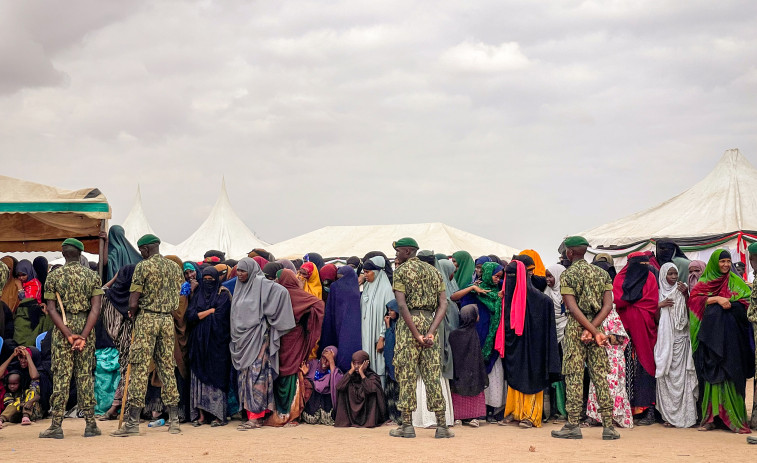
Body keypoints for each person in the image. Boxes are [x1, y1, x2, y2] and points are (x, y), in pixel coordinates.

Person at [111, 234, 183, 437]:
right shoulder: (174, 267)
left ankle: (132, 423)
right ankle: (175, 421)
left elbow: (133, 301)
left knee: (140, 368)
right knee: (167, 367)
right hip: (167, 321)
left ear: (144, 250)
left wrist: (132, 313)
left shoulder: (143, 267)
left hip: (147, 319)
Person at [551, 236, 619, 440]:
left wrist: (588, 329)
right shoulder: (602, 273)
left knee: (574, 376)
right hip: (597, 324)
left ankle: (573, 424)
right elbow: (608, 306)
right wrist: (596, 330)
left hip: (575, 328)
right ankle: (608, 426)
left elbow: (572, 307)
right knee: (600, 376)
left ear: (570, 253)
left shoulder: (568, 275)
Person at [39, 238, 104, 439]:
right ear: (80, 253)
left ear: (64, 254)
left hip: (62, 330)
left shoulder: (54, 276)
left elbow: (50, 308)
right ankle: (91, 425)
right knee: (84, 376)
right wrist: (83, 336)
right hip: (86, 327)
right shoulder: (92, 276)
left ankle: (56, 425)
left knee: (61, 377)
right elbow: (96, 308)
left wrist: (68, 335)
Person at [388, 237, 452, 439]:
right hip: (430, 321)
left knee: (406, 374)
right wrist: (431, 331)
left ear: (407, 252)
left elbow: (402, 305)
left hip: (409, 327)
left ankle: (406, 426)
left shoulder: (401, 272)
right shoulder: (434, 272)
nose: (396, 255)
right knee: (432, 374)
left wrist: (415, 334)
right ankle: (442, 426)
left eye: (398, 251)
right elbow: (443, 304)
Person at [690, 250, 753, 434]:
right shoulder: (704, 283)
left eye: (728, 261)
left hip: (733, 341)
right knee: (712, 378)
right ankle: (711, 418)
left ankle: (734, 419)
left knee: (732, 376)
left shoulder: (736, 282)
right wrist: (716, 299)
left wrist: (731, 303)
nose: (725, 265)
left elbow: (748, 301)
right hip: (710, 341)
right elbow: (694, 300)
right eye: (722, 261)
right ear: (714, 263)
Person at [230, 258, 295, 431]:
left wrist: (269, 319)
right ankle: (251, 414)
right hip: (242, 341)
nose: (240, 274)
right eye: (238, 271)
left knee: (257, 375)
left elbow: (281, 292)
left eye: (243, 271)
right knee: (246, 377)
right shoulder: (240, 287)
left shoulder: (261, 283)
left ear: (251, 271)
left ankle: (256, 417)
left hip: (257, 338)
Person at [501, 261, 560, 428]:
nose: (510, 280)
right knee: (515, 375)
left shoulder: (543, 301)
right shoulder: (507, 299)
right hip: (516, 347)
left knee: (532, 377)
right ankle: (514, 412)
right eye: (508, 277)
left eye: (513, 276)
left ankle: (531, 415)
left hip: (535, 350)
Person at [265, 269, 324, 427]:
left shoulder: (281, 295)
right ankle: (290, 414)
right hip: (289, 338)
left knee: (288, 372)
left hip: (286, 338)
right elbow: (318, 304)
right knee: (288, 372)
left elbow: (318, 305)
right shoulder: (285, 294)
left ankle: (287, 413)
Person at [451, 261, 506, 423]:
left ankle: (491, 409)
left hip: (492, 336)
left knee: (493, 372)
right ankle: (476, 411)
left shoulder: (499, 289)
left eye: (499, 277)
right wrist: (473, 288)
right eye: (496, 276)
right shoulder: (475, 288)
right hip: (475, 335)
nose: (497, 279)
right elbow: (454, 297)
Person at [613, 252, 659, 426]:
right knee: (623, 368)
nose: (643, 267)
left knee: (645, 367)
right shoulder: (619, 278)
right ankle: (624, 408)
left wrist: (634, 306)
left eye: (645, 264)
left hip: (644, 331)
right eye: (639, 264)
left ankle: (646, 409)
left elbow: (652, 303)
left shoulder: (651, 278)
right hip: (623, 332)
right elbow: (617, 300)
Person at [653, 263, 698, 428]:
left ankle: (687, 415)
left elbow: (691, 310)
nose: (673, 277)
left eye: (675, 274)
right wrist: (659, 305)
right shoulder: (657, 294)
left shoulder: (683, 289)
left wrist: (686, 295)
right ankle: (668, 417)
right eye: (669, 274)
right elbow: (652, 316)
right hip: (666, 341)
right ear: (663, 275)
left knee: (683, 378)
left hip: (682, 339)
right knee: (666, 376)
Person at [187, 267, 232, 427]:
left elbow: (221, 317)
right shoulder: (197, 294)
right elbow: (190, 316)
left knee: (216, 379)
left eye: (210, 278)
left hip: (217, 344)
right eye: (204, 278)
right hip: (198, 343)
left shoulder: (223, 294)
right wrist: (209, 311)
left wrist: (202, 315)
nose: (207, 281)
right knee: (198, 378)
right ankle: (200, 415)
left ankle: (218, 415)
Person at [585, 307, 632, 428]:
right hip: (598, 356)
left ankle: (613, 417)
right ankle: (594, 417)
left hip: (613, 358)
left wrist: (608, 337)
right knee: (595, 385)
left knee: (613, 387)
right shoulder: (594, 317)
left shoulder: (613, 316)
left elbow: (621, 338)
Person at [449, 305, 487, 428]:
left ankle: (458, 418)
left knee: (458, 391)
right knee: (474, 389)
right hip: (473, 372)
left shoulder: (454, 334)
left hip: (458, 373)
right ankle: (474, 417)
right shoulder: (475, 333)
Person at [319, 266, 362, 373]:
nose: (340, 281)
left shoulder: (335, 287)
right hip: (354, 330)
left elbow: (329, 314)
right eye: (338, 278)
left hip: (339, 326)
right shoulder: (358, 291)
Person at [360, 255, 394, 387]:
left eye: (368, 272)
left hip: (377, 336)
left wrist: (381, 338)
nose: (365, 275)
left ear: (378, 272)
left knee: (378, 365)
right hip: (365, 333)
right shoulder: (367, 287)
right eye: (364, 272)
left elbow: (389, 316)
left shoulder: (387, 290)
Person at [334, 350, 387, 428]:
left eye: (359, 363)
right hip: (351, 413)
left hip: (366, 413)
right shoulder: (351, 375)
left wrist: (362, 373)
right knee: (344, 386)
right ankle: (346, 421)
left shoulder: (373, 376)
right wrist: (351, 371)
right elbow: (339, 387)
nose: (356, 366)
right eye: (354, 363)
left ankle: (369, 421)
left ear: (366, 363)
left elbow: (370, 389)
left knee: (372, 390)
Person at [545, 263, 568, 421]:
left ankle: (567, 410)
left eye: (551, 276)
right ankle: (556, 409)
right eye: (546, 276)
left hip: (566, 335)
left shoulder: (567, 294)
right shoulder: (546, 294)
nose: (548, 279)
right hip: (553, 336)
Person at [0, 347, 42, 426]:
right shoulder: (16, 368)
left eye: (25, 358)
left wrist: (28, 356)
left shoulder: (40, 369)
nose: (22, 361)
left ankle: (25, 416)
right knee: (13, 405)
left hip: (32, 407)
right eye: (21, 357)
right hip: (15, 406)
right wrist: (13, 355)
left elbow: (34, 377)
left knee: (34, 385)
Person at [302, 346, 343, 425]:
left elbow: (336, 384)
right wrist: (305, 374)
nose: (324, 362)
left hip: (326, 406)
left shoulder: (336, 372)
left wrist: (331, 362)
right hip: (312, 406)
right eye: (323, 358)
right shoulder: (313, 364)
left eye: (328, 360)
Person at [383, 300, 401, 423]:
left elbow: (392, 340)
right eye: (388, 310)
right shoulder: (392, 323)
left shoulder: (399, 325)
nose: (390, 312)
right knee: (390, 391)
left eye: (392, 310)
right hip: (390, 362)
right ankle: (392, 416)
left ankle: (399, 417)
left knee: (397, 391)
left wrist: (388, 327)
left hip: (397, 363)